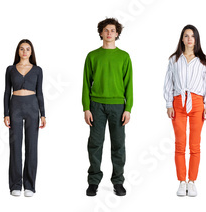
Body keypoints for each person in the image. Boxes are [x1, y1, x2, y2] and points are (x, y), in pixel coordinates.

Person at [83, 18, 133, 197]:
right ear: (101, 33)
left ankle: (118, 181)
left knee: (118, 145)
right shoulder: (92, 56)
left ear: (117, 33)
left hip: (118, 106)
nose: (109, 33)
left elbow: (129, 85)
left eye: (113, 30)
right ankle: (93, 181)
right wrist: (86, 108)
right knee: (95, 144)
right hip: (96, 105)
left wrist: (128, 108)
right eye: (106, 30)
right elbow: (86, 84)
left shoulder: (124, 56)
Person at [163, 25, 206, 197]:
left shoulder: (203, 60)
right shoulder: (174, 59)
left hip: (197, 102)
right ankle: (181, 181)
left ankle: (192, 181)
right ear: (182, 39)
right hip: (178, 102)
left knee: (194, 145)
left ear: (196, 39)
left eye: (193, 36)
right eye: (186, 36)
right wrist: (169, 103)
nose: (190, 39)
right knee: (180, 144)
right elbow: (168, 82)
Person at [3, 39, 47, 197]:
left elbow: (40, 92)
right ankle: (15, 185)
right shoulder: (10, 69)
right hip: (15, 107)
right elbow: (7, 92)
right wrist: (6, 113)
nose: (24, 52)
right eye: (22, 49)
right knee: (15, 146)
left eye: (28, 49)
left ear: (31, 52)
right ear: (18, 51)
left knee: (31, 147)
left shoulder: (37, 70)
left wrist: (43, 114)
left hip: (32, 107)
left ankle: (29, 185)